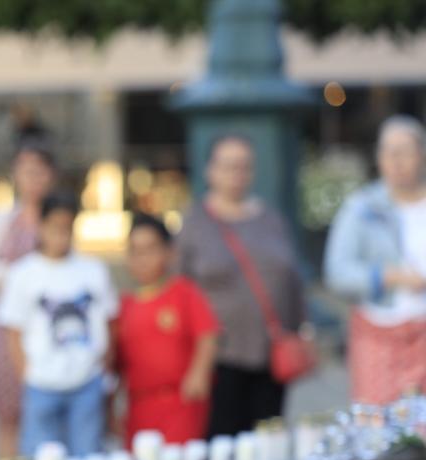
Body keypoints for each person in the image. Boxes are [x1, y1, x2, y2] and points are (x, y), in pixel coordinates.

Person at [177, 135, 307, 437]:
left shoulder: (272, 220)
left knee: (268, 441)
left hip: (270, 353)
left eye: (244, 166)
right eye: (228, 166)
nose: (236, 174)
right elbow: (180, 286)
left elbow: (292, 279)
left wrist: (301, 330)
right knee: (222, 444)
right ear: (210, 170)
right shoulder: (195, 223)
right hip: (218, 359)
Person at [0, 192, 117, 456]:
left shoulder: (93, 270)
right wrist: (27, 373)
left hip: (86, 379)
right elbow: (13, 330)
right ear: (41, 226)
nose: (61, 236)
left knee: (87, 455)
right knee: (42, 458)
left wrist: (103, 367)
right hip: (42, 382)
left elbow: (109, 321)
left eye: (67, 228)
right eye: (54, 228)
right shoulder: (23, 274)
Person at [325, 115, 426, 405]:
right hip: (379, 333)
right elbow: (338, 272)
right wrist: (388, 276)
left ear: (421, 154)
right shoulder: (362, 208)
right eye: (388, 151)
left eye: (404, 151)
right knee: (380, 431)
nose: (396, 161)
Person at [0, 140, 57, 459]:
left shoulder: (57, 221)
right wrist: (21, 278)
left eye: (39, 172)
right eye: (26, 171)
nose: (33, 179)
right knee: (9, 412)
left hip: (50, 327)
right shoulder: (3, 221)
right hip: (10, 328)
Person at [114, 214, 220, 445]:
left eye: (150, 249)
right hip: (139, 405)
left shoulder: (183, 292)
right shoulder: (123, 306)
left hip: (180, 401)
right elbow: (116, 363)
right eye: (135, 251)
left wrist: (199, 372)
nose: (142, 259)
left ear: (169, 252)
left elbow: (207, 334)